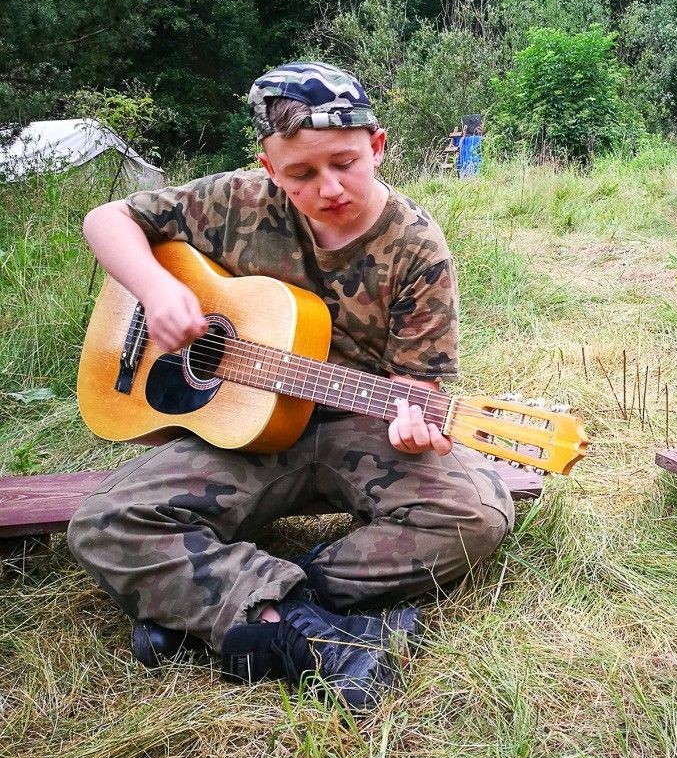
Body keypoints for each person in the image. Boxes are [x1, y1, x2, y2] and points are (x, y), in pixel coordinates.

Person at [68, 62, 515, 710]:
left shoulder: (417, 246)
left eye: (346, 163)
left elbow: (416, 387)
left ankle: (238, 607)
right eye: (301, 174)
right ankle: (303, 624)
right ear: (269, 168)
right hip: (243, 430)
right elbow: (107, 220)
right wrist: (157, 289)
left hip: (359, 429)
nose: (328, 187)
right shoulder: (237, 201)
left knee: (476, 514)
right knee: (103, 522)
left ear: (377, 146)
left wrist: (419, 426)